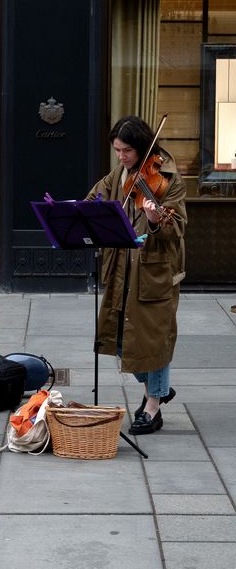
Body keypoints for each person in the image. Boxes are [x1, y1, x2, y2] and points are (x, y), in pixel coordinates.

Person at [86, 115, 186, 435]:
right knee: (121, 340)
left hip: (153, 270)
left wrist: (156, 219)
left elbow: (177, 228)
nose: (121, 157)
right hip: (121, 268)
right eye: (117, 150)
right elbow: (95, 198)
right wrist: (82, 210)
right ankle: (158, 387)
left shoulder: (168, 178)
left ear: (142, 146)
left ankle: (152, 407)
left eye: (126, 151)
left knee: (152, 340)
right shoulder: (121, 173)